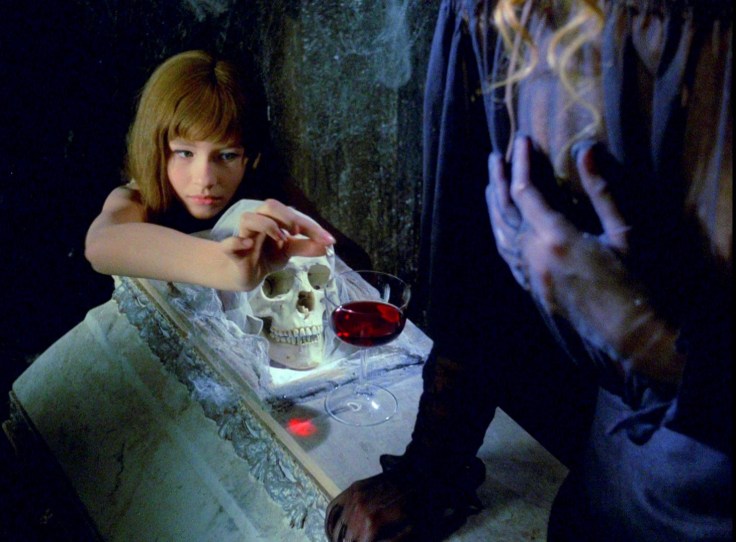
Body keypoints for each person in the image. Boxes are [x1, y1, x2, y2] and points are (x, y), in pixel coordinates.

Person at [325, 1, 732, 541]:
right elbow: (475, 276)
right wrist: (430, 467)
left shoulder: (707, 38)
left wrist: (652, 346)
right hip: (600, 505)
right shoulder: (497, 13)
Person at [85, 49, 335, 292]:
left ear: (249, 156)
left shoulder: (270, 193)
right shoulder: (136, 200)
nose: (205, 179)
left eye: (227, 156)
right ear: (155, 149)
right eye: (185, 153)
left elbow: (346, 257)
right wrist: (225, 266)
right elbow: (101, 245)